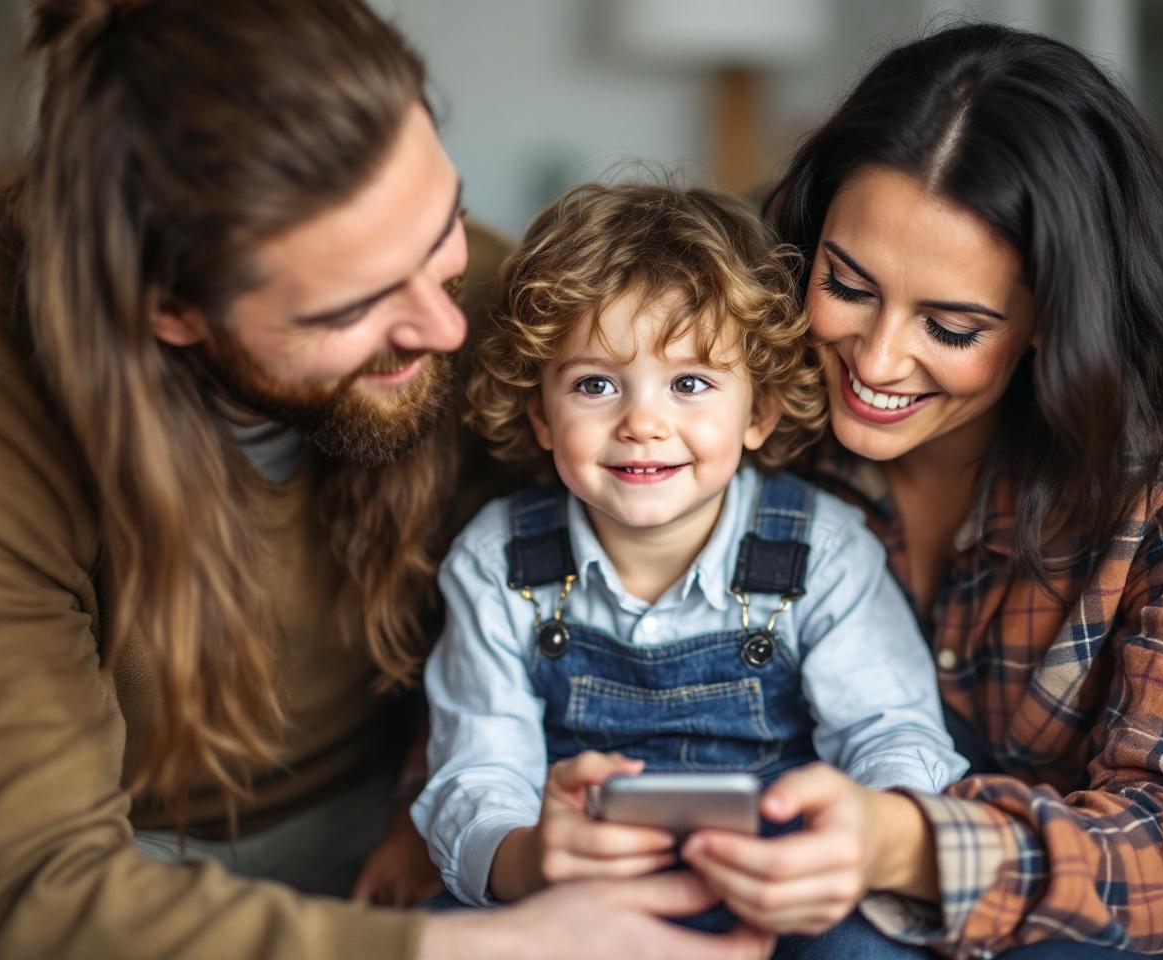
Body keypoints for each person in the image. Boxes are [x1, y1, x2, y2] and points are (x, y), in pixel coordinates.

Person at [0, 3, 774, 959]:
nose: (446, 328)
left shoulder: (479, 299)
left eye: (440, 225)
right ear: (174, 309)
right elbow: (27, 892)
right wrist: (497, 948)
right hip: (127, 866)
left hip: (413, 817)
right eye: (354, 303)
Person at [682, 21, 1163, 960]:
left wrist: (906, 842)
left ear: (1052, 322)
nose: (874, 362)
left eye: (951, 327)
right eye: (848, 283)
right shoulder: (755, 407)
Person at [409, 181, 968, 958]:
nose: (642, 422)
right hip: (581, 894)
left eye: (690, 383)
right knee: (431, 938)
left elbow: (892, 734)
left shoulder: (824, 551)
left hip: (778, 888)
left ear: (758, 413)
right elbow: (479, 773)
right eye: (595, 385)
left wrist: (856, 842)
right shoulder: (497, 562)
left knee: (871, 947)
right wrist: (528, 859)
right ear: (540, 413)